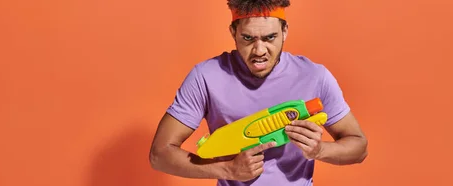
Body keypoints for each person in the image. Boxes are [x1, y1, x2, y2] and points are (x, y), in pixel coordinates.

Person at [149, 0, 368, 185]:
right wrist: (227, 169)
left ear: (285, 31)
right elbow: (159, 154)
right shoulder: (205, 76)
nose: (259, 51)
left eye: (270, 38)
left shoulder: (314, 76)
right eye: (248, 38)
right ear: (233, 32)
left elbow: (359, 147)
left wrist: (319, 150)